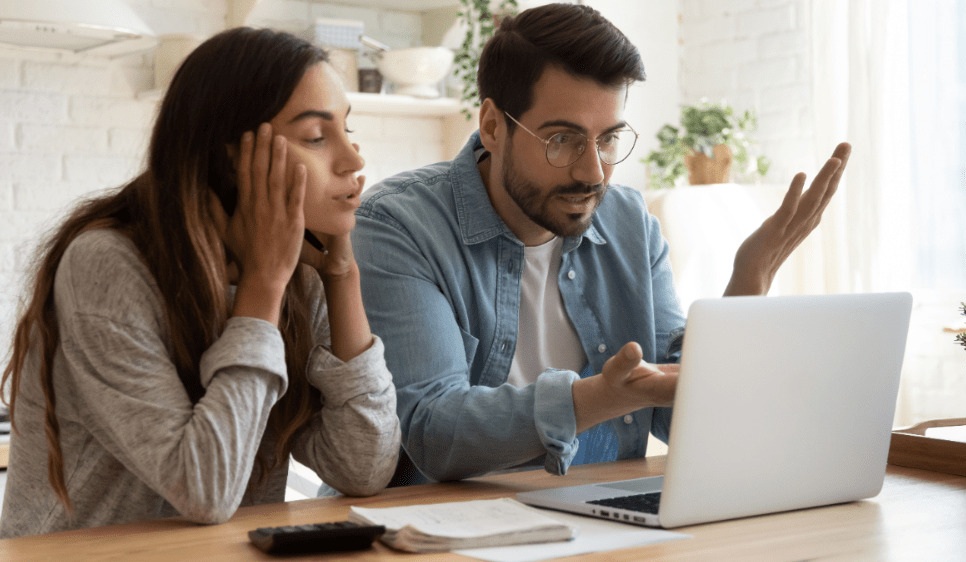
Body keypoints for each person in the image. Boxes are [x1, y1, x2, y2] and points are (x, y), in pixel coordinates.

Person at [351, 3, 850, 487]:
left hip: (599, 524)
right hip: (434, 535)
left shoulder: (630, 222)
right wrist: (597, 398)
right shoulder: (399, 226)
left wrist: (750, 280)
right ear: (493, 126)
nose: (592, 172)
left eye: (608, 139)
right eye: (562, 140)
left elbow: (674, 417)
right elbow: (432, 432)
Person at [0, 28, 400, 538]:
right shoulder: (106, 264)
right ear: (233, 157)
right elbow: (204, 490)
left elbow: (362, 469)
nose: (353, 160)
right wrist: (262, 286)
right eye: (316, 137)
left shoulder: (304, 275)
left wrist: (342, 278)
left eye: (347, 130)